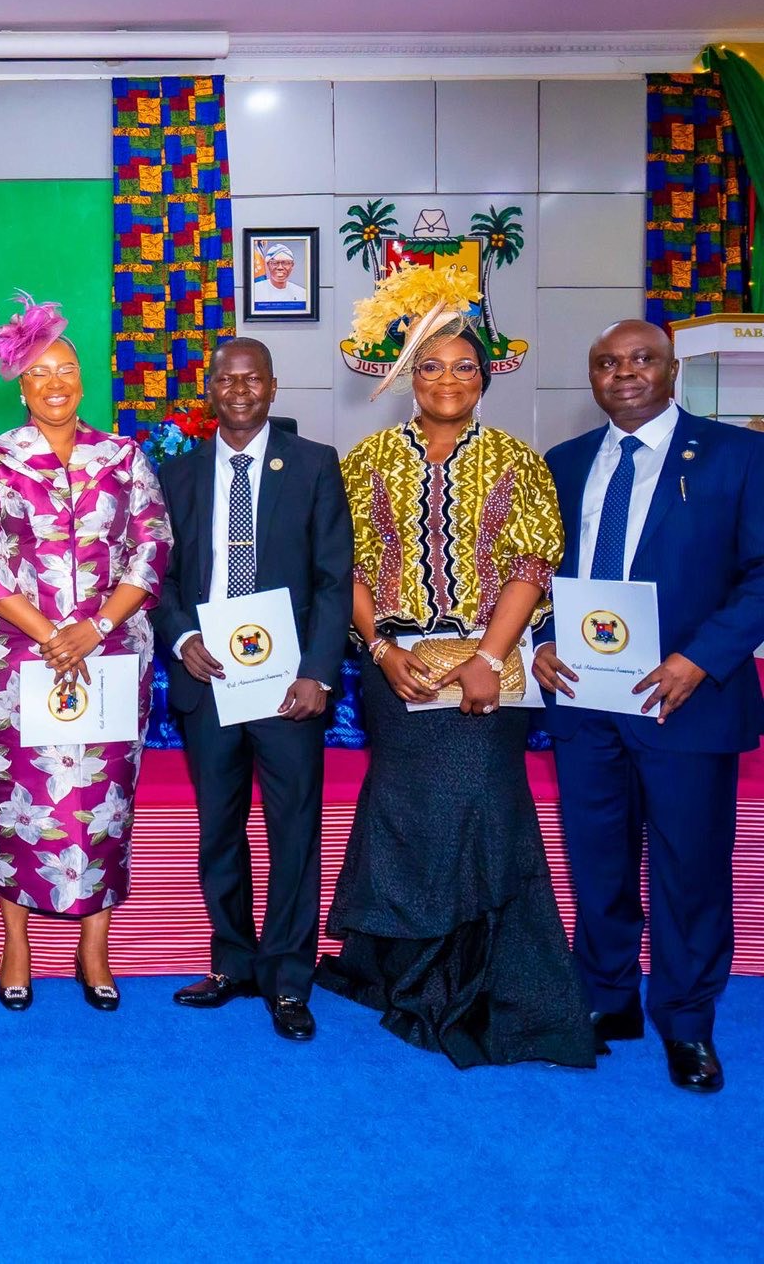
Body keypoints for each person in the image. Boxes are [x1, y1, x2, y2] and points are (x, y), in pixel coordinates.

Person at [321, 319, 596, 1069]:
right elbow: (341, 563)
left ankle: (477, 990)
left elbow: (532, 566)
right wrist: (378, 650)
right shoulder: (369, 457)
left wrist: (488, 655)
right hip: (397, 667)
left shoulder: (517, 459)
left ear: (485, 378)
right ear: (411, 377)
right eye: (432, 368)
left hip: (487, 668)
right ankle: (405, 974)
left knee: (481, 808)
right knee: (407, 814)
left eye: (464, 369)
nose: (448, 380)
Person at [534, 319, 764, 1094]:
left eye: (641, 360)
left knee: (689, 869)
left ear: (672, 371)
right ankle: (606, 1000)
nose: (624, 373)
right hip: (585, 704)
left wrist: (698, 658)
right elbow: (532, 573)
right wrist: (538, 640)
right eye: (607, 363)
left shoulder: (739, 456)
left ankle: (687, 1022)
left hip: (688, 704)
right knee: (597, 861)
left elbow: (761, 576)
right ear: (592, 378)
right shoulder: (563, 465)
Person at [0, 296, 171, 1011]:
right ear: (21, 386)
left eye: (67, 370)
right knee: (19, 803)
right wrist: (53, 634)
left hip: (112, 656)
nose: (55, 382)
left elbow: (152, 546)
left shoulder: (122, 455)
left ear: (84, 382)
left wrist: (98, 628)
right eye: (40, 372)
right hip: (16, 662)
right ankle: (16, 943)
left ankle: (94, 948)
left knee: (105, 803)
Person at [153, 338, 351, 1041]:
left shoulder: (315, 466)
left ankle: (289, 979)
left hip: (287, 687)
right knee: (220, 833)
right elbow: (161, 580)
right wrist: (181, 638)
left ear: (272, 387)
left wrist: (318, 673)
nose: (239, 390)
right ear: (209, 389)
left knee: (293, 832)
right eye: (225, 379)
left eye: (252, 379)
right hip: (210, 684)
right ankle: (234, 964)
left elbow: (333, 581)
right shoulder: (175, 476)